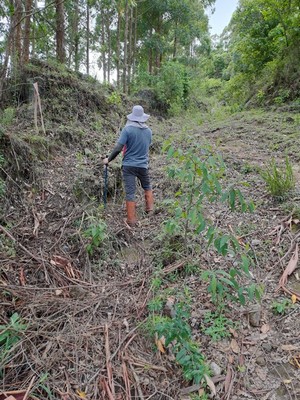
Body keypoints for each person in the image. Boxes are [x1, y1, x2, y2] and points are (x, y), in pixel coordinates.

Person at [103, 105, 154, 226]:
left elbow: (118, 148)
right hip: (143, 165)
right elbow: (147, 146)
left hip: (129, 166)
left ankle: (131, 220)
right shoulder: (148, 131)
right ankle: (150, 210)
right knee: (147, 187)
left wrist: (108, 160)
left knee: (130, 192)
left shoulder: (127, 129)